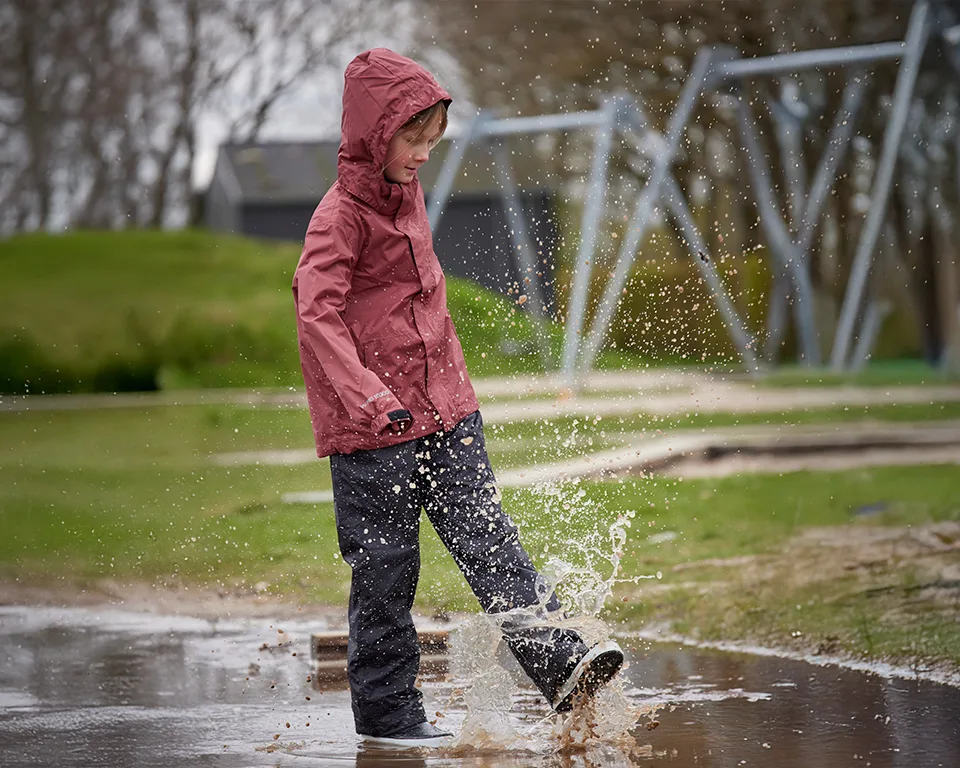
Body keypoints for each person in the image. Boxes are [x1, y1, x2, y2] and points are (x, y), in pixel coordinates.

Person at [292, 48, 623, 749]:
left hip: (446, 412)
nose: (421, 155)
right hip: (373, 429)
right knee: (386, 573)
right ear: (372, 133)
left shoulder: (404, 192)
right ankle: (388, 724)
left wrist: (452, 390)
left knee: (489, 539)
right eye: (411, 139)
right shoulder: (339, 218)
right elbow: (315, 313)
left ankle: (559, 663)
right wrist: (369, 397)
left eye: (431, 141)